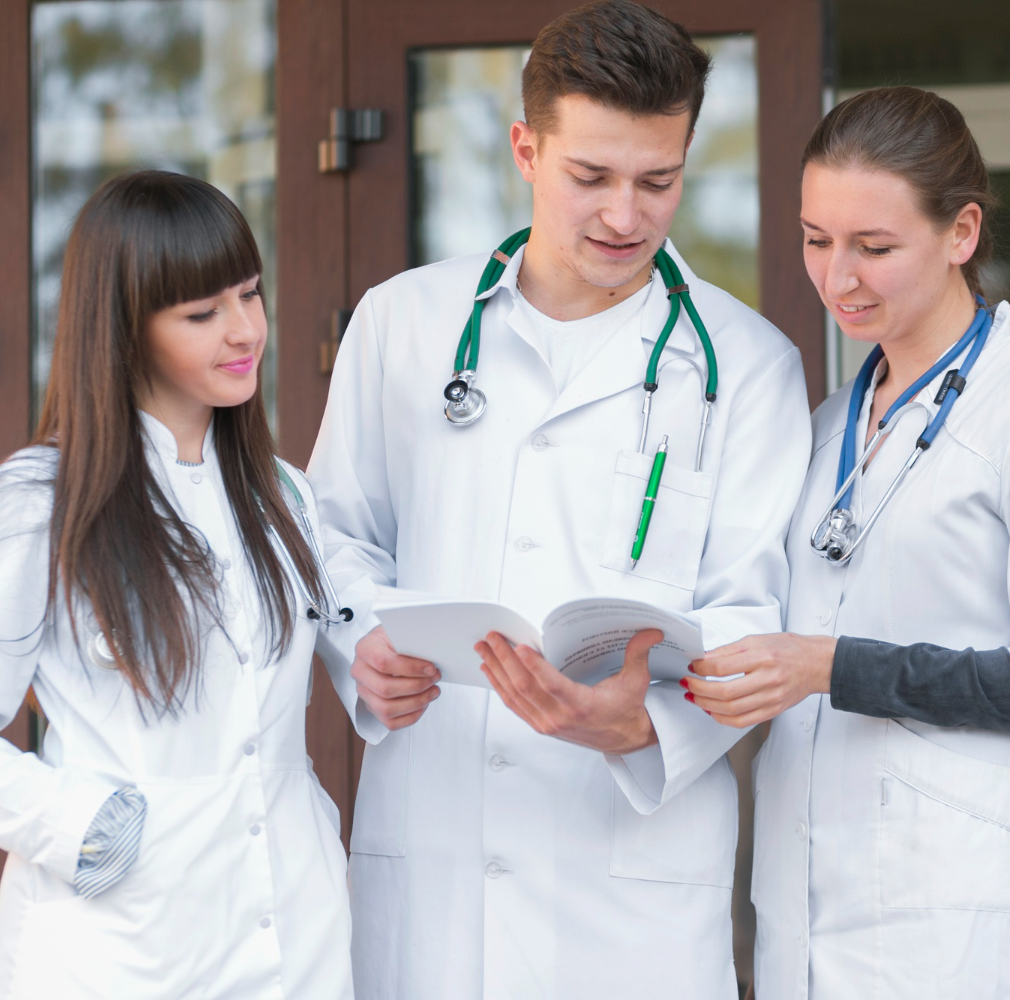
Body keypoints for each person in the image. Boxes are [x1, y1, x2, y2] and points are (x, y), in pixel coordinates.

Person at [306, 2, 810, 997]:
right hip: (436, 858)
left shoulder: (746, 366)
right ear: (526, 149)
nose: (626, 216)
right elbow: (332, 539)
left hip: (629, 900)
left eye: (658, 181)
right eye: (592, 177)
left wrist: (643, 727)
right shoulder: (401, 325)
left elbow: (755, 614)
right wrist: (363, 650)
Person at [683, 86, 1010, 998]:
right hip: (807, 906)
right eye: (817, 239)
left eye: (874, 247)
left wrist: (832, 666)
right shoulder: (828, 426)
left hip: (959, 908)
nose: (837, 276)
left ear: (961, 232)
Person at [0, 171, 354, 999]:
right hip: (120, 946)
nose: (245, 330)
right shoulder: (38, 504)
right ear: (124, 332)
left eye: (250, 295)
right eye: (202, 314)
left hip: (295, 926)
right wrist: (91, 828)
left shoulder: (284, 496)